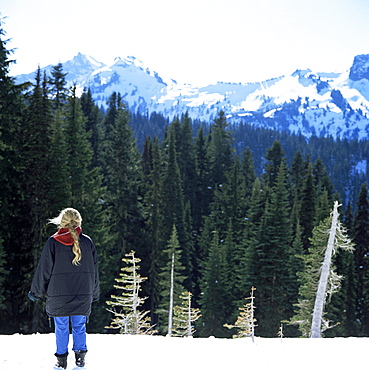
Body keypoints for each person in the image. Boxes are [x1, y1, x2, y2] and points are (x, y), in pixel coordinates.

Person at [28, 208, 100, 369]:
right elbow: (94, 271)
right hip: (83, 294)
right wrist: (94, 293)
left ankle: (61, 362)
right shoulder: (87, 242)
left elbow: (44, 270)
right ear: (78, 221)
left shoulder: (53, 242)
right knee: (79, 326)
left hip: (58, 295)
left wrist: (36, 292)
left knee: (61, 328)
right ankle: (80, 360)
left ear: (62, 221)